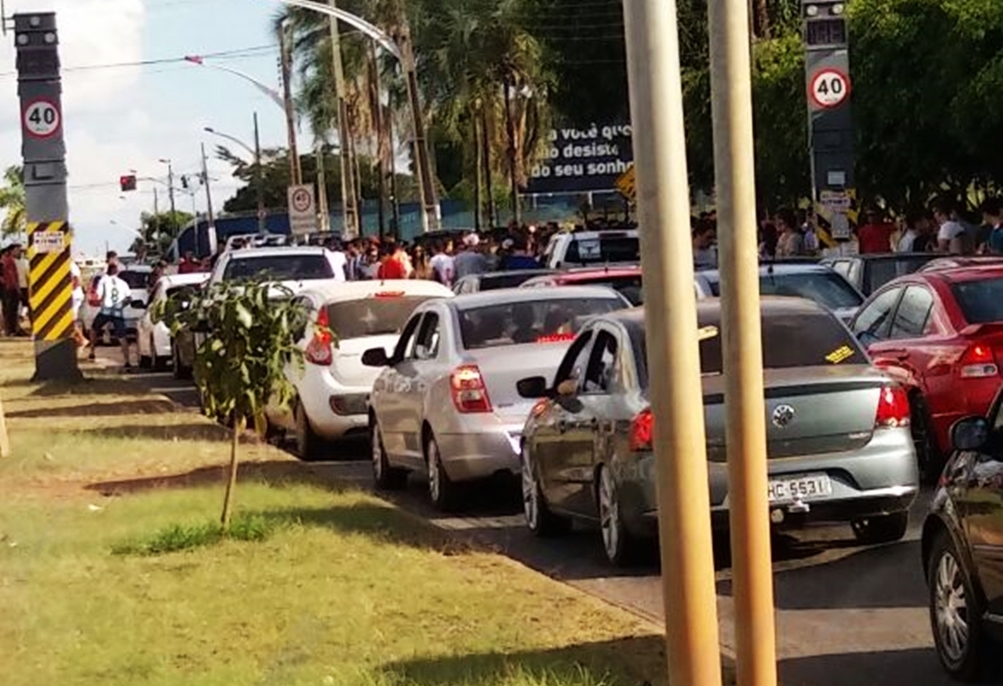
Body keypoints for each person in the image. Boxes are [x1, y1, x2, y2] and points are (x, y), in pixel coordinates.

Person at [88, 263, 134, 369]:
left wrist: (99, 302)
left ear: (108, 271)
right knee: (122, 337)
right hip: (117, 311)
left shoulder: (103, 280)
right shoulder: (123, 283)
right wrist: (121, 305)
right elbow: (129, 298)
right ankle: (127, 361)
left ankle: (92, 351)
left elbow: (99, 296)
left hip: (106, 311)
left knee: (94, 328)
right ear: (117, 272)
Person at [1, 245, 23, 336]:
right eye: (17, 250)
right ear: (10, 251)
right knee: (11, 310)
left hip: (7, 288)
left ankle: (10, 330)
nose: (19, 252)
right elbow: (12, 276)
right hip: (10, 288)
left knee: (8, 310)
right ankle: (11, 330)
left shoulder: (5, 260)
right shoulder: (9, 261)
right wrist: (17, 288)